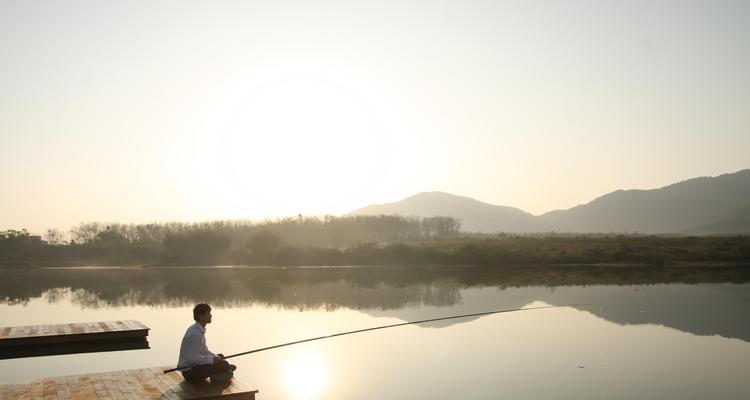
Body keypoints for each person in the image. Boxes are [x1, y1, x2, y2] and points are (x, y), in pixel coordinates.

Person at [177, 303, 236, 382]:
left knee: (221, 356)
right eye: (209, 314)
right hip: (190, 372)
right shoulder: (195, 334)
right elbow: (192, 358)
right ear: (201, 316)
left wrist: (215, 357)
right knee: (223, 365)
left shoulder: (197, 330)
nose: (211, 316)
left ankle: (225, 369)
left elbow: (204, 351)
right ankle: (225, 369)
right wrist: (211, 360)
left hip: (194, 367)